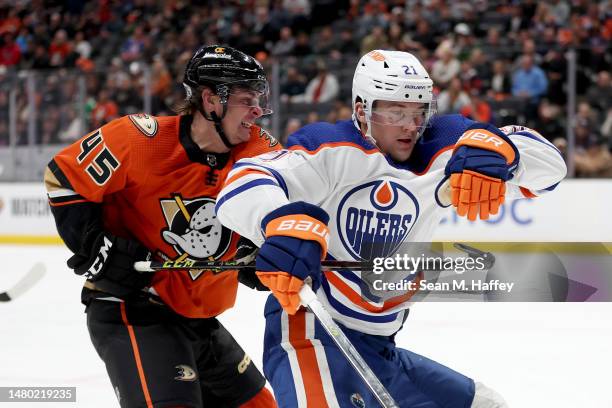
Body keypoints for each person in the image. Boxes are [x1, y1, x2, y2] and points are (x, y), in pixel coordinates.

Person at [215, 50, 567, 407]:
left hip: (379, 349)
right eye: (394, 111)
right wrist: (277, 219)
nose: (410, 125)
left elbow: (551, 170)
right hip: (310, 330)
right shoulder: (332, 148)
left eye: (418, 112)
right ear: (361, 109)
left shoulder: (446, 146)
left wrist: (506, 149)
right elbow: (245, 180)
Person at [44, 45, 280, 408]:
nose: (257, 111)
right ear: (210, 100)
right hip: (133, 309)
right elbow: (63, 177)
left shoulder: (260, 151)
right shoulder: (140, 140)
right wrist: (95, 246)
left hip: (198, 320)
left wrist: (263, 254)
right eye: (246, 99)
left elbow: (286, 212)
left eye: (258, 100)